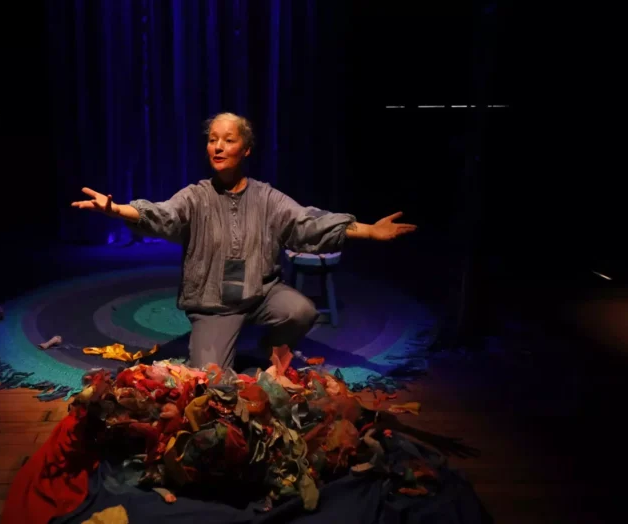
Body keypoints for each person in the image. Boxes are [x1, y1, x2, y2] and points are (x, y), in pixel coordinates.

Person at [72, 112, 417, 372]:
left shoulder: (266, 198)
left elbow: (308, 223)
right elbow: (163, 214)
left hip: (260, 293)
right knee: (210, 380)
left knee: (301, 311)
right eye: (212, 140)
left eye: (228, 140)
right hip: (214, 304)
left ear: (246, 149)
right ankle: (224, 341)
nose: (218, 146)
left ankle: (268, 345)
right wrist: (117, 210)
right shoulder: (196, 196)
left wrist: (369, 230)